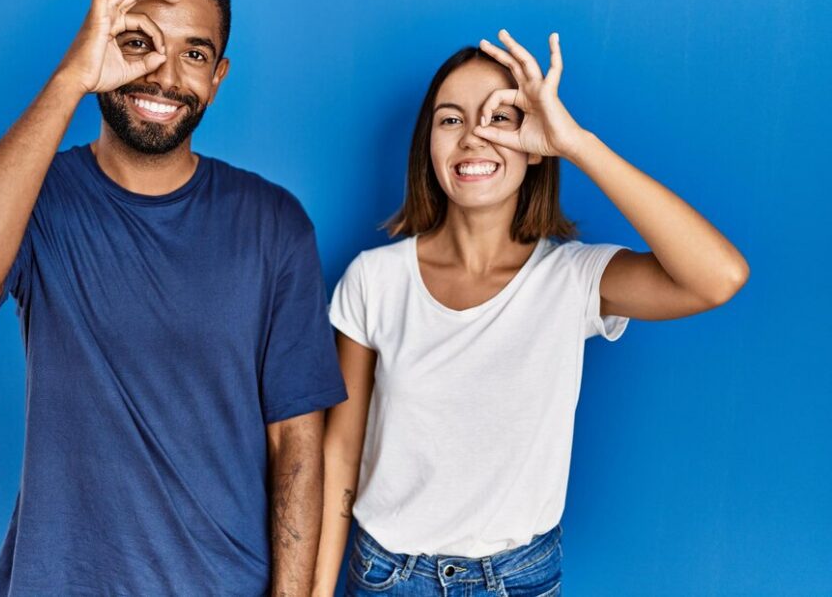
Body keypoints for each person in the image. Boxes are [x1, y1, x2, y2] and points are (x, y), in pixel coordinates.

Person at [0, 0, 347, 596]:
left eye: (194, 54)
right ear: (99, 46)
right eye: (138, 42)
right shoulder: (39, 196)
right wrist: (70, 80)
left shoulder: (273, 224)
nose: (164, 75)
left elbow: (297, 445)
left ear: (218, 76)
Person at [312, 30, 749, 596]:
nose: (473, 137)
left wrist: (575, 142)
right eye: (451, 120)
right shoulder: (375, 279)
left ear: (533, 141)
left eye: (500, 117)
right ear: (427, 144)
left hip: (516, 581)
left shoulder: (573, 279)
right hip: (387, 577)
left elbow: (720, 277)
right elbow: (340, 452)